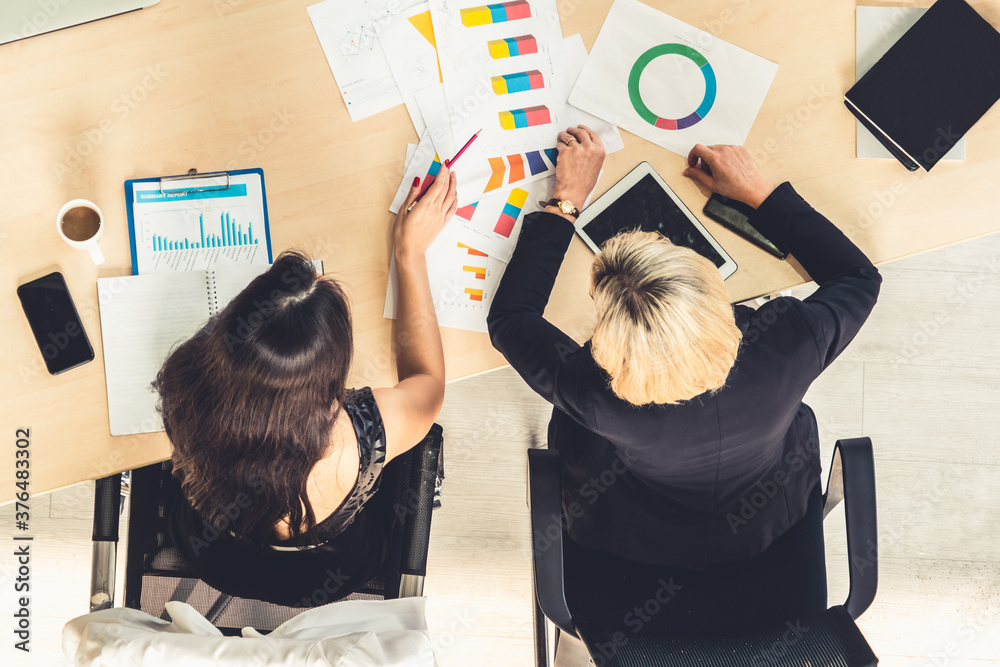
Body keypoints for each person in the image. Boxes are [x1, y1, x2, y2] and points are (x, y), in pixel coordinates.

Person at [487, 128, 882, 632]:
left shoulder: (597, 395)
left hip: (629, 544)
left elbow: (511, 320)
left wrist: (565, 202)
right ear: (719, 304)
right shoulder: (788, 343)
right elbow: (858, 279)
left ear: (610, 347)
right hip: (770, 527)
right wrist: (759, 195)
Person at [154, 168, 458, 607]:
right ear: (330, 382)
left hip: (212, 555)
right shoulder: (362, 435)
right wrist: (409, 252)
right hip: (332, 571)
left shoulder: (187, 392)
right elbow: (428, 381)